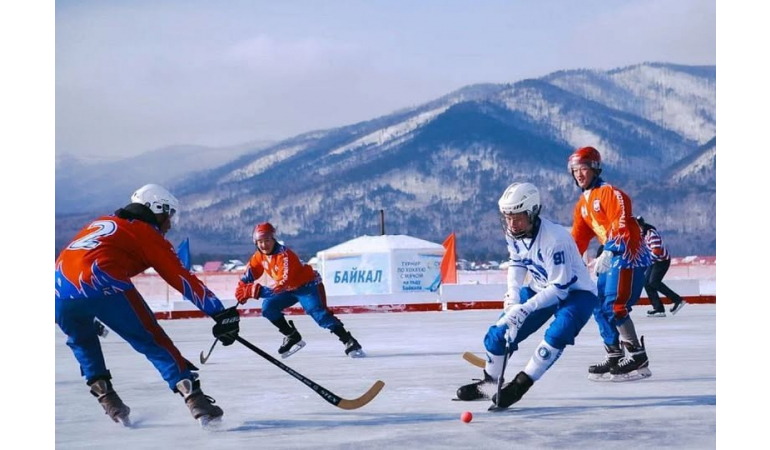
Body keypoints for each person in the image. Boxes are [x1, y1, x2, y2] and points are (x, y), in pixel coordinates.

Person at [55, 184, 240, 427]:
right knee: (152, 340)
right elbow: (180, 277)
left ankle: (107, 398)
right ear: (157, 209)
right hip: (103, 282)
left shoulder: (100, 223)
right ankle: (196, 401)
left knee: (82, 341)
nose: (169, 224)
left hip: (58, 290)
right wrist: (220, 313)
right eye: (169, 215)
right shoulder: (144, 231)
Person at [455, 182, 599, 408]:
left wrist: (525, 309)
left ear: (532, 213)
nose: (512, 223)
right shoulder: (514, 232)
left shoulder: (555, 240)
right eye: (508, 218)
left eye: (517, 218)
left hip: (576, 293)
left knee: (558, 334)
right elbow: (517, 262)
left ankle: (521, 384)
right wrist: (513, 298)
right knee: (498, 334)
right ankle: (490, 384)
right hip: (540, 288)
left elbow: (559, 289)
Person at [568, 146, 653, 382]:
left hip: (627, 255)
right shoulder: (583, 204)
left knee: (616, 306)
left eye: (583, 168)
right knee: (598, 304)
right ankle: (614, 353)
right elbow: (578, 238)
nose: (579, 174)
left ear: (595, 168)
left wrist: (610, 250)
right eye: (575, 170)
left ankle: (637, 355)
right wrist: (566, 262)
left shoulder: (611, 194)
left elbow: (621, 223)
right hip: (609, 257)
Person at [234, 222, 365, 358]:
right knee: (268, 308)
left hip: (307, 286)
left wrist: (256, 292)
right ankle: (291, 336)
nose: (263, 245)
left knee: (319, 314)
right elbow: (249, 274)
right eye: (260, 242)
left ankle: (349, 341)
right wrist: (241, 287)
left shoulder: (285, 256)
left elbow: (281, 286)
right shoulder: (259, 256)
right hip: (289, 288)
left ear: (273, 239)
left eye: (267, 240)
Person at [636, 216, 687, 317]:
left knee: (654, 282)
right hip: (653, 261)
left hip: (662, 261)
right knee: (646, 283)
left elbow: (657, 251)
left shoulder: (651, 234)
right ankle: (658, 309)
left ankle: (677, 300)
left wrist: (644, 262)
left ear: (640, 225)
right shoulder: (642, 234)